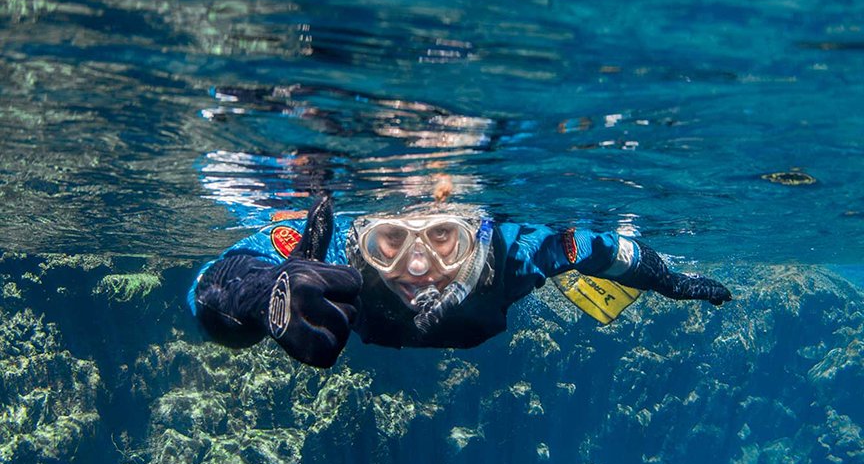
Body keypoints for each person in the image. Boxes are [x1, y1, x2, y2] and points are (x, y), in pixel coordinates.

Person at [189, 194, 732, 368]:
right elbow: (211, 285)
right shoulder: (327, 252)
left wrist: (672, 282)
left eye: (444, 236)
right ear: (360, 241)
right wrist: (258, 297)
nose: (418, 267)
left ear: (478, 231)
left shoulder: (518, 252)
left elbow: (611, 253)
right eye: (390, 242)